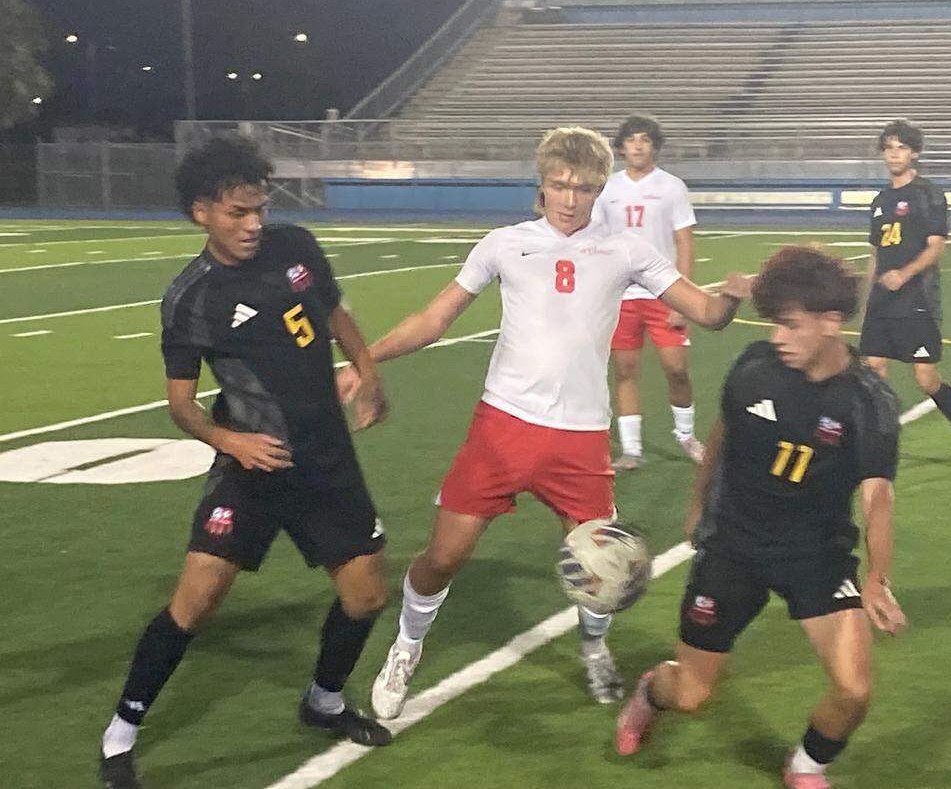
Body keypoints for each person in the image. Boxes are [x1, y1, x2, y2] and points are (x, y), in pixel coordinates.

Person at [337, 126, 752, 717]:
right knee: (442, 557)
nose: (570, 198)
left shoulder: (626, 249)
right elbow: (434, 320)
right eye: (560, 185)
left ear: (599, 190)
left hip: (581, 440)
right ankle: (407, 645)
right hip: (502, 427)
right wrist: (365, 360)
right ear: (542, 184)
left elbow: (708, 313)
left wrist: (733, 294)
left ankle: (593, 645)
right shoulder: (505, 243)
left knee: (602, 572)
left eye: (584, 188)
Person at [99, 137, 392, 789]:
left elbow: (336, 313)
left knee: (367, 593)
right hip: (252, 466)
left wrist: (368, 373)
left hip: (325, 460)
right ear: (202, 211)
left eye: (258, 208)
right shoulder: (190, 298)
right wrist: (231, 443)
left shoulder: (297, 247)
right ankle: (120, 734)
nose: (254, 223)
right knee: (196, 599)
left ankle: (324, 701)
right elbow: (181, 405)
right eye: (238, 212)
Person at [614, 245, 908, 789]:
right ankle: (651, 690)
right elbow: (724, 435)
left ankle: (805, 766)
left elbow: (877, 496)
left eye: (791, 326)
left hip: (816, 555)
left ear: (830, 323)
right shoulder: (754, 367)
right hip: (734, 547)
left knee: (854, 689)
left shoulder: (868, 402)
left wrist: (874, 575)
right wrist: (698, 501)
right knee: (692, 694)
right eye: (774, 324)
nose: (778, 337)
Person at [861, 119, 951, 473]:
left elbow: (936, 248)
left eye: (900, 148)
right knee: (873, 373)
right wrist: (866, 298)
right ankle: (879, 445)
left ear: (914, 153)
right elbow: (874, 254)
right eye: (888, 148)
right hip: (881, 304)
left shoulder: (928, 195)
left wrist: (905, 273)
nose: (894, 154)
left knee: (925, 379)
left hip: (917, 300)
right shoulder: (880, 201)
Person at [592, 114, 703, 469]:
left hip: (662, 292)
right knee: (624, 369)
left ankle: (685, 435)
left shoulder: (672, 186)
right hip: (620, 293)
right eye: (632, 139)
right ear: (621, 146)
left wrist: (682, 297)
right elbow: (594, 240)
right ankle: (632, 449)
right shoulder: (606, 187)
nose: (638, 145)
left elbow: (683, 241)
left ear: (654, 145)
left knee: (676, 368)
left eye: (645, 139)